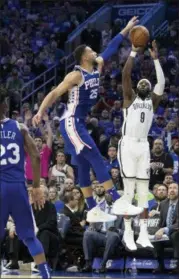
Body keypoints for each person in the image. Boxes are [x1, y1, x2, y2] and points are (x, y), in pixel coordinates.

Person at [32, 17, 140, 218]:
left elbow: (112, 47)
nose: (95, 52)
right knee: (95, 157)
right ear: (83, 57)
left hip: (77, 122)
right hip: (71, 122)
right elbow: (55, 93)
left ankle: (92, 210)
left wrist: (126, 28)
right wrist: (40, 111)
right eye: (90, 51)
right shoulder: (76, 75)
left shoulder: (97, 65)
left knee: (82, 164)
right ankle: (118, 202)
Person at [113, 41, 165, 251]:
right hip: (127, 145)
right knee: (129, 191)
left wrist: (155, 59)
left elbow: (161, 81)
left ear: (150, 88)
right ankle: (127, 233)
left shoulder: (153, 102)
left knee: (143, 192)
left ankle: (143, 234)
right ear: (136, 88)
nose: (144, 84)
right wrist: (133, 52)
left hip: (144, 146)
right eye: (141, 83)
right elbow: (126, 74)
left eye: (146, 83)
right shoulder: (129, 97)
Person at [0, 92, 51, 278]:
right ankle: (46, 275)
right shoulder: (19, 127)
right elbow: (36, 156)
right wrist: (36, 186)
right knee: (29, 236)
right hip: (17, 187)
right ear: (5, 106)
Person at [153, 183, 179, 274]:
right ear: (168, 192)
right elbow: (161, 222)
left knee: (176, 235)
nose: (172, 190)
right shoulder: (164, 203)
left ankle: (178, 265)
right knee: (156, 237)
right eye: (170, 188)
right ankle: (160, 266)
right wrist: (157, 231)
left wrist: (164, 229)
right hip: (166, 233)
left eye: (175, 188)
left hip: (176, 232)